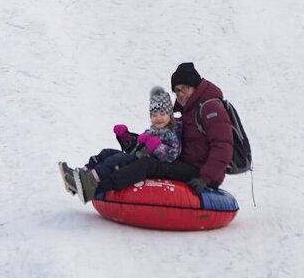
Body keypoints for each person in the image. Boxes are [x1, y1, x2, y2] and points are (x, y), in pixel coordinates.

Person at [72, 62, 234, 203]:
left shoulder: (210, 108)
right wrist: (130, 139)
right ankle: (82, 179)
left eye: (184, 89)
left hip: (199, 173)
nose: (180, 94)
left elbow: (223, 146)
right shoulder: (187, 111)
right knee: (121, 155)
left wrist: (205, 178)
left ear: (195, 87)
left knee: (147, 164)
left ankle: (97, 188)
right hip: (182, 163)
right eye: (176, 90)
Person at [59, 87, 182, 202]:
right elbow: (135, 147)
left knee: (117, 160)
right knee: (106, 153)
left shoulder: (172, 133)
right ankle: (80, 176)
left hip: (149, 165)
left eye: (162, 114)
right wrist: (125, 137)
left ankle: (89, 182)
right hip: (137, 157)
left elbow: (171, 155)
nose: (158, 118)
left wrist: (156, 146)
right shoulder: (151, 131)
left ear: (170, 115)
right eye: (154, 115)